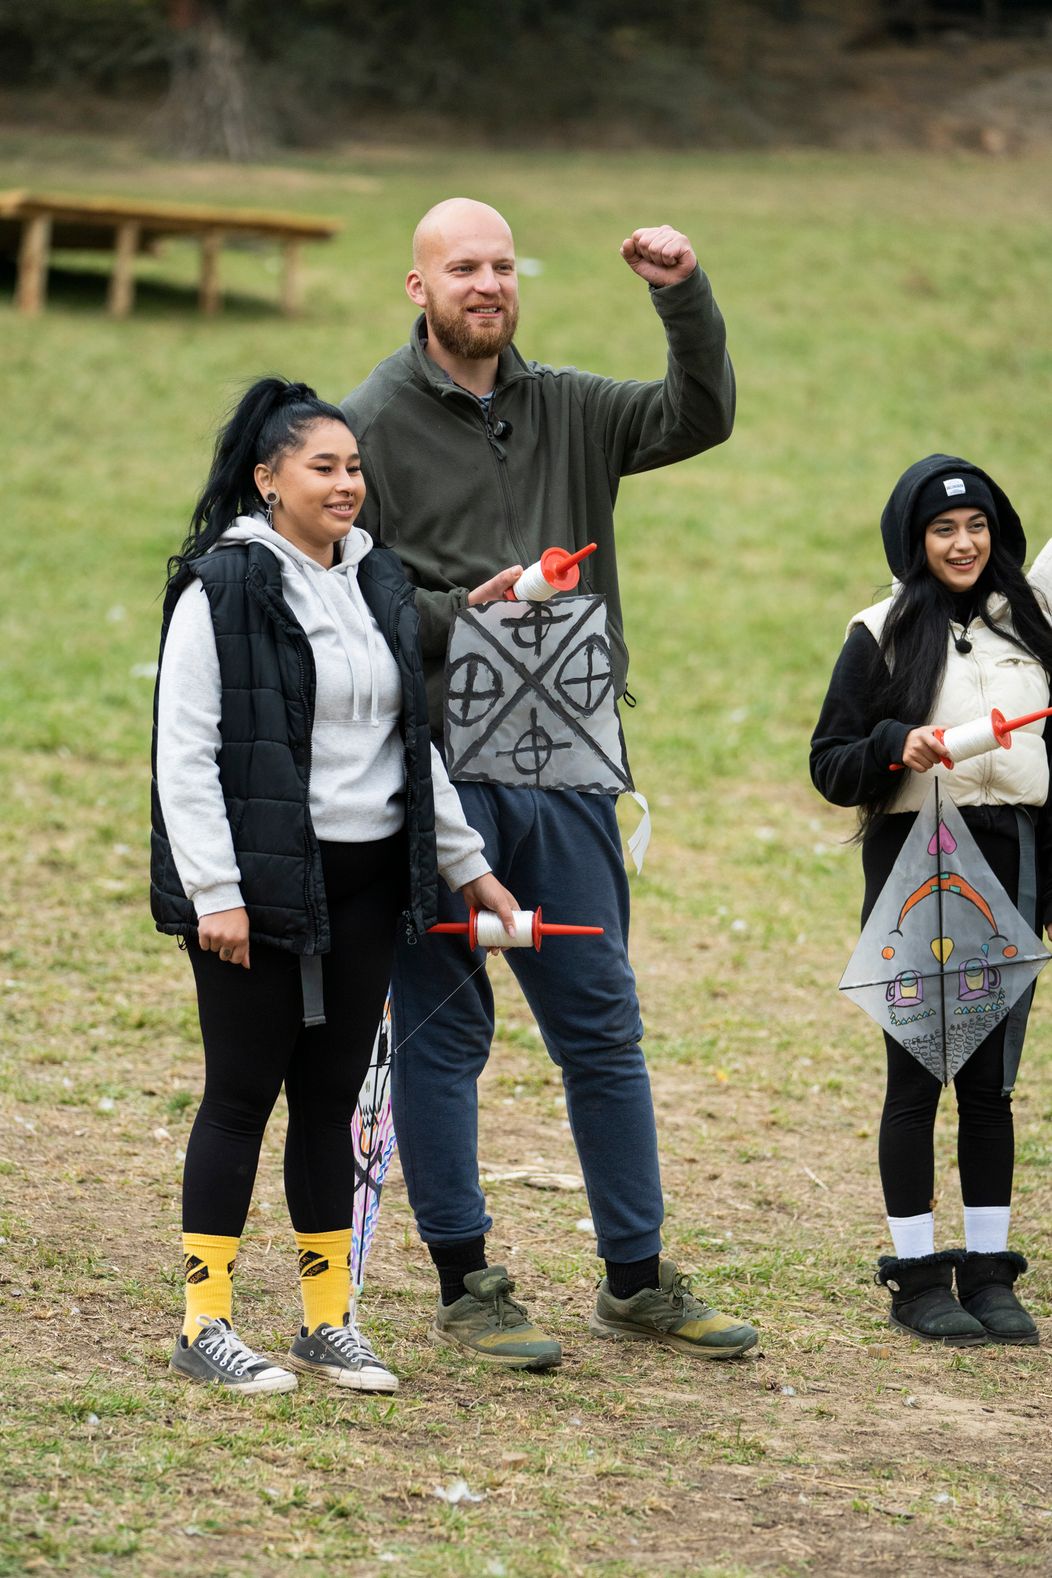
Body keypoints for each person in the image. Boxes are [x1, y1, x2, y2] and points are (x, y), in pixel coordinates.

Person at [341, 198, 759, 1368]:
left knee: (600, 1024)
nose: (487, 283)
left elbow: (700, 413)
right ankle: (465, 1280)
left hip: (571, 757)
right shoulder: (366, 425)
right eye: (460, 267)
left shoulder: (571, 404)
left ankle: (634, 1279)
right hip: (435, 770)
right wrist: (460, 608)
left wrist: (679, 294)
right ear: (416, 287)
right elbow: (353, 595)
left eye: (500, 265)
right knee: (440, 1029)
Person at [151, 376, 517, 1394]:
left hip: (365, 890)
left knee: (329, 1103)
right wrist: (215, 890)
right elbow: (184, 754)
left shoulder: (376, 582)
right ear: (269, 481)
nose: (346, 484)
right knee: (239, 1097)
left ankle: (326, 1320)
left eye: (353, 467)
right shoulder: (221, 588)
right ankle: (205, 1321)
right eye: (323, 468)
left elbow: (412, 743)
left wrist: (468, 867)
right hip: (258, 891)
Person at [811, 454, 1049, 1347]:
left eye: (978, 526)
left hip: (1019, 859)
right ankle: (916, 1276)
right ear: (915, 540)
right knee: (917, 1075)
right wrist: (892, 746)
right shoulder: (878, 631)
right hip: (921, 864)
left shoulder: (1031, 625)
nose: (963, 543)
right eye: (944, 529)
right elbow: (830, 761)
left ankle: (989, 1272)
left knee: (992, 1085)